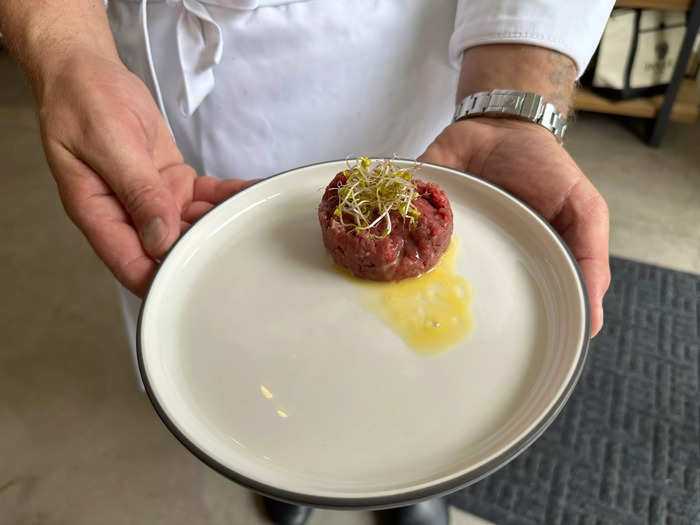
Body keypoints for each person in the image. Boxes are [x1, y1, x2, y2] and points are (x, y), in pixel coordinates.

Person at [0, 1, 614, 523]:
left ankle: (417, 480)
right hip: (148, 79)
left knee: (431, 382)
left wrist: (513, 103)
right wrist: (66, 45)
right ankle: (274, 466)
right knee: (233, 346)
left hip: (386, 64)